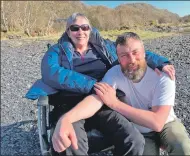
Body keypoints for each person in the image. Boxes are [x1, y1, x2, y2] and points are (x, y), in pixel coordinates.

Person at [25, 13, 175, 155]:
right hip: (71, 102)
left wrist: (160, 62)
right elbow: (51, 72)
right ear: (68, 31)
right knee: (73, 142)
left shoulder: (103, 46)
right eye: (75, 28)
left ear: (90, 29)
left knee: (133, 139)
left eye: (85, 27)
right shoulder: (56, 51)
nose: (80, 32)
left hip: (101, 101)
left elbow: (131, 53)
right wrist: (93, 84)